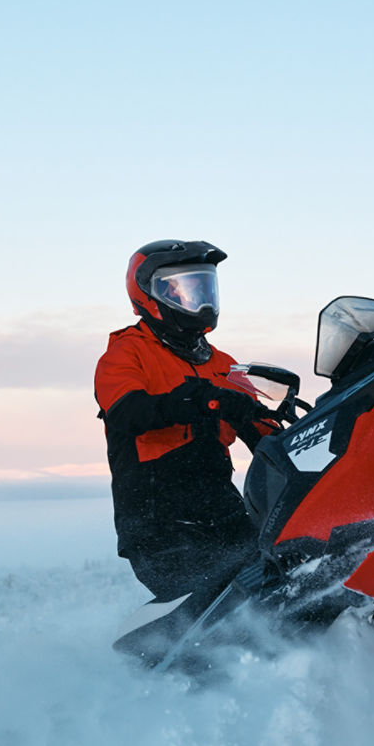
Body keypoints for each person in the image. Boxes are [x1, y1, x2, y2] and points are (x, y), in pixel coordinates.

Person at [94, 240, 277, 656]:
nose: (198, 300)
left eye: (203, 288)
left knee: (275, 578)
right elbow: (129, 412)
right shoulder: (125, 353)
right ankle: (153, 681)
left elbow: (263, 429)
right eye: (181, 289)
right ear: (149, 293)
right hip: (159, 521)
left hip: (223, 511)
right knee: (213, 606)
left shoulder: (223, 362)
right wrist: (205, 399)